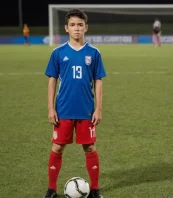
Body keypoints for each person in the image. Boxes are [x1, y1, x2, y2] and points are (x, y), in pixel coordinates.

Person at [44, 9, 106, 198]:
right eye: (72, 25)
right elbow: (52, 81)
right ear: (66, 28)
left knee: (90, 147)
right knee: (57, 147)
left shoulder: (94, 53)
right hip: (63, 110)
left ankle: (95, 189)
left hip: (86, 110)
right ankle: (51, 189)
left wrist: (98, 108)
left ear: (86, 27)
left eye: (80, 25)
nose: (76, 28)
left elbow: (98, 81)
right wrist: (50, 108)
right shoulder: (58, 53)